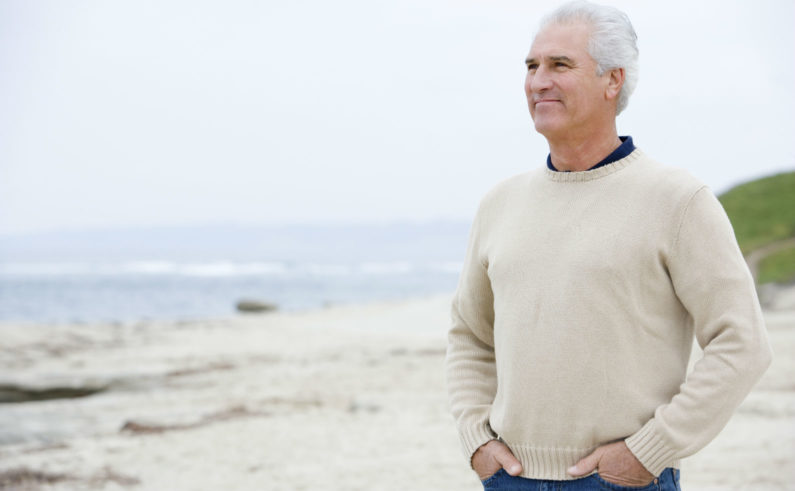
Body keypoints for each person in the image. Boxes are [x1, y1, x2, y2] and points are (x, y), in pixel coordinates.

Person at [444, 1, 773, 489]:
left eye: (560, 65)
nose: (538, 81)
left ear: (612, 81)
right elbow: (470, 334)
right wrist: (477, 440)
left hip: (623, 481)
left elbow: (742, 344)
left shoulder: (678, 200)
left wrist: (651, 450)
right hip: (510, 478)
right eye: (532, 66)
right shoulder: (500, 203)